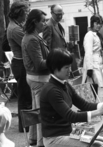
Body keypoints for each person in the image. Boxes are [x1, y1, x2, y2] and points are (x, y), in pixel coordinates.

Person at [40, 48, 103, 147]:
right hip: (54, 139)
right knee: (99, 145)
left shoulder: (64, 84)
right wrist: (98, 112)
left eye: (70, 66)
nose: (70, 70)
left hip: (68, 133)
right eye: (66, 67)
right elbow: (71, 116)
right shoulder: (51, 90)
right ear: (55, 68)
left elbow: (84, 105)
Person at [22, 9, 50, 147]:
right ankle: (41, 143)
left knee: (36, 111)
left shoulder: (33, 36)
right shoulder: (32, 39)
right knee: (41, 113)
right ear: (35, 22)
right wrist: (56, 60)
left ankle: (33, 138)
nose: (45, 23)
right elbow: (39, 64)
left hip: (35, 78)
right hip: (38, 79)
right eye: (43, 21)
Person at [7, 1, 32, 133]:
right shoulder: (15, 29)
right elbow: (28, 43)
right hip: (20, 64)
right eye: (26, 12)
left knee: (25, 95)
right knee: (24, 96)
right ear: (19, 12)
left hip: (20, 63)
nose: (27, 14)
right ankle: (25, 126)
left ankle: (26, 125)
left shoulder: (16, 25)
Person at [82, 15, 103, 89]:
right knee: (94, 86)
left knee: (97, 86)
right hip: (93, 64)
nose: (99, 25)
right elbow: (88, 52)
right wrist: (89, 68)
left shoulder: (97, 35)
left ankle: (97, 100)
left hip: (98, 63)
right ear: (92, 23)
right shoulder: (89, 35)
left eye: (100, 24)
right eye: (97, 23)